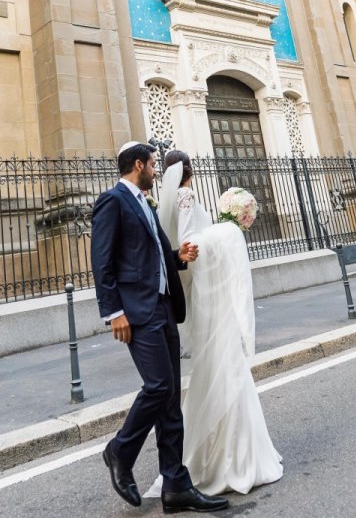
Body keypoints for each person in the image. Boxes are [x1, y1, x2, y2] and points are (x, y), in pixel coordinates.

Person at [90, 141, 229, 513]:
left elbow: (147, 255)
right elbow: (102, 263)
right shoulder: (113, 201)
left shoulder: (145, 203)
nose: (157, 170)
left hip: (164, 308)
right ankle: (119, 451)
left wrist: (177, 258)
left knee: (170, 402)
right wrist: (113, 312)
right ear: (139, 165)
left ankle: (176, 485)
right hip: (137, 312)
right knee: (158, 387)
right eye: (153, 164)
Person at [149, 149, 284, 497]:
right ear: (190, 171)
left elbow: (181, 247)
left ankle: (208, 456)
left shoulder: (170, 200)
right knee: (228, 373)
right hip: (215, 286)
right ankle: (234, 459)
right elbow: (191, 243)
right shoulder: (187, 195)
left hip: (200, 290)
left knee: (209, 376)